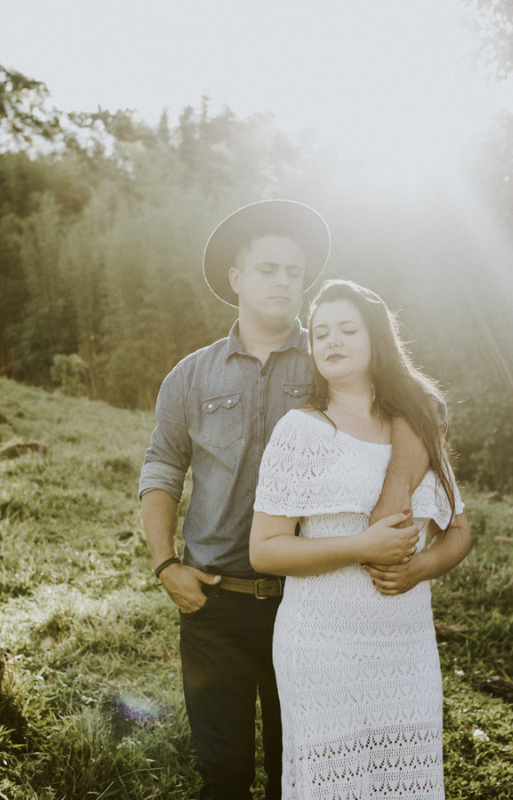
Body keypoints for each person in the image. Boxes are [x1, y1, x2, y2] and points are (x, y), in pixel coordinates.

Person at [139, 201, 430, 800]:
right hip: (213, 603)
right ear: (236, 279)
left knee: (296, 772)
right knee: (222, 775)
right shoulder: (190, 377)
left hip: (308, 603)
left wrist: (397, 489)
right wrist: (166, 563)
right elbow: (162, 468)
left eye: (294, 272)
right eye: (267, 268)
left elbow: (415, 411)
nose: (282, 281)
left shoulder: (331, 356)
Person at [250, 279, 473, 799]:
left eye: (348, 329)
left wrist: (419, 569)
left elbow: (457, 530)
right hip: (322, 644)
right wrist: (361, 547)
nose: (332, 341)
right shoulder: (301, 431)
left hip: (406, 645)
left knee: (404, 783)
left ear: (377, 339)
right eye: (321, 332)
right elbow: (265, 550)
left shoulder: (415, 426)